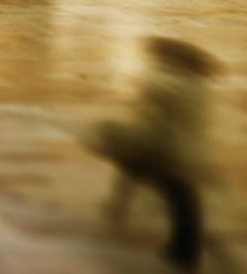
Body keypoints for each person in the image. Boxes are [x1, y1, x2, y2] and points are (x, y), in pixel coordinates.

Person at [91, 37, 216, 269]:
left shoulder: (179, 85)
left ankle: (185, 253)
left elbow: (160, 90)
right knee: (178, 196)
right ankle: (181, 249)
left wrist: (148, 80)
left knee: (179, 198)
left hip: (169, 151)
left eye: (162, 58)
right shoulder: (193, 82)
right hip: (169, 149)